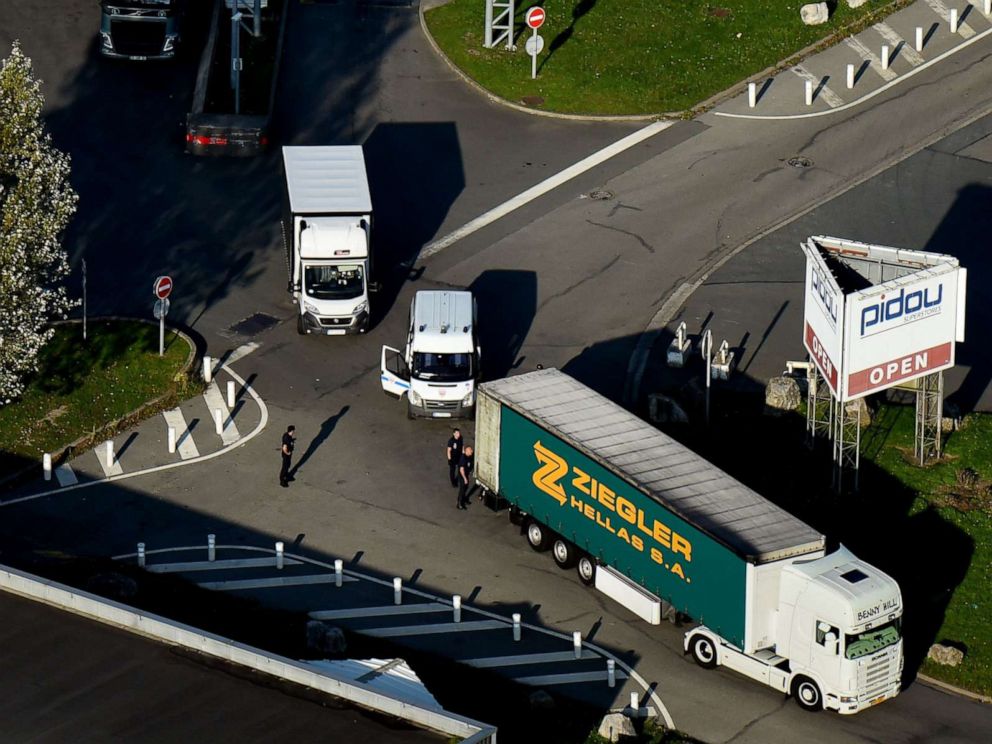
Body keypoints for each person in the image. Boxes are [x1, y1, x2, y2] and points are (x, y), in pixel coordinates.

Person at [456, 444, 474, 509]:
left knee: (466, 488)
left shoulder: (469, 456)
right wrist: (465, 479)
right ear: (467, 451)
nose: (472, 451)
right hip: (462, 476)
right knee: (462, 489)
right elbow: (461, 469)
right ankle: (459, 503)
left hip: (466, 474)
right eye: (470, 450)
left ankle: (464, 499)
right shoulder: (463, 458)